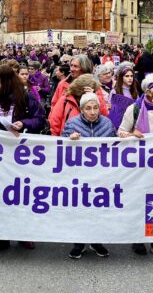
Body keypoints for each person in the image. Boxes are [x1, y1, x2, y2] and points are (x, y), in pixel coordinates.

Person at [0, 64, 46, 254]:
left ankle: (24, 234)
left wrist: (23, 123)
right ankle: (0, 238)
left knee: (21, 195)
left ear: (6, 81)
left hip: (22, 156)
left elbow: (40, 119)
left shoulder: (26, 97)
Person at [118, 73, 153, 260]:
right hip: (139, 165)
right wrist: (132, 134)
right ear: (150, 92)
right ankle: (138, 238)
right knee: (139, 199)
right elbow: (120, 133)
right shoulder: (133, 109)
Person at [62, 93, 116, 259]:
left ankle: (96, 241)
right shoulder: (72, 124)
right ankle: (79, 243)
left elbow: (116, 147)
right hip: (80, 176)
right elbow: (59, 146)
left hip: (102, 176)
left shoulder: (107, 123)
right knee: (80, 210)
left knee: (99, 209)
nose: (92, 112)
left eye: (95, 108)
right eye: (88, 108)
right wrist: (69, 139)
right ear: (81, 110)